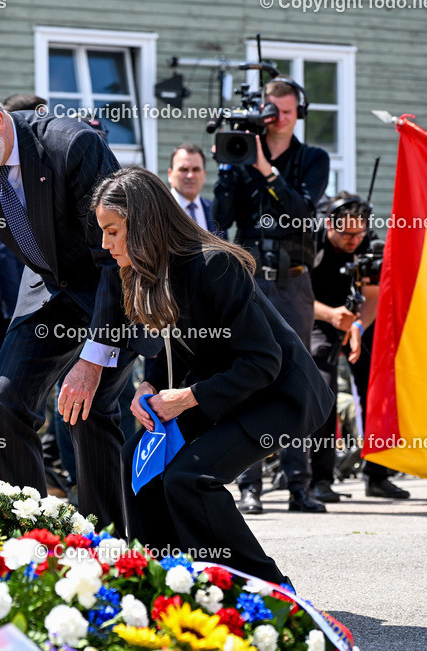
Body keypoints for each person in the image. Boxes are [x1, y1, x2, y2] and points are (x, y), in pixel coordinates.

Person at [0, 73, 148, 529]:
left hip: (115, 286)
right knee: (2, 405)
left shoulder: (73, 146)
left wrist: (91, 362)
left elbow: (115, 260)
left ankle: (106, 544)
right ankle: (29, 540)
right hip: (48, 291)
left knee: (87, 410)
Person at [93, 165, 333, 584]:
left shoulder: (214, 265)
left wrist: (186, 398)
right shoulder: (150, 271)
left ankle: (271, 592)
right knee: (135, 459)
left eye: (112, 231)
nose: (105, 243)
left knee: (191, 479)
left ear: (143, 223)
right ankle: (167, 580)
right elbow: (173, 347)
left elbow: (263, 361)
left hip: (283, 396)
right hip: (229, 388)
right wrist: (150, 385)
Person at [212, 77, 330, 514]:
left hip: (293, 282)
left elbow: (303, 211)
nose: (277, 118)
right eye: (271, 110)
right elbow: (221, 218)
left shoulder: (313, 158)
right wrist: (228, 169)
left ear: (299, 113)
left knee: (296, 377)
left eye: (285, 111)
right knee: (247, 376)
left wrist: (265, 169)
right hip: (249, 280)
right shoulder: (242, 155)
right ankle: (250, 485)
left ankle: (299, 484)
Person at [309, 194, 410, 500]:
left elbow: (373, 295)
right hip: (319, 317)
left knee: (377, 390)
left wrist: (357, 326)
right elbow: (295, 297)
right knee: (324, 391)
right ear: (330, 225)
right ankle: (320, 480)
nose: (354, 240)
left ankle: (378, 475)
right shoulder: (310, 241)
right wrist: (331, 316)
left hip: (360, 318)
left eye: (359, 233)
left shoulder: (369, 243)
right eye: (346, 234)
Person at [166, 143, 223, 236]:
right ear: (170, 174)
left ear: (204, 174)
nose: (190, 175)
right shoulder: (159, 211)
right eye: (183, 169)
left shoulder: (214, 212)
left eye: (196, 169)